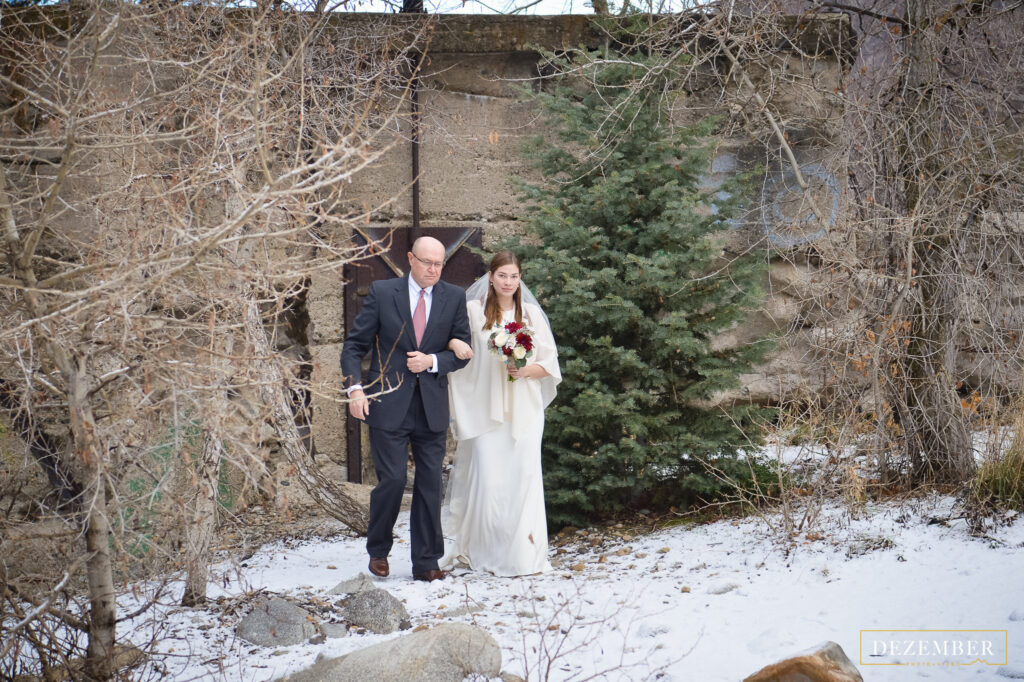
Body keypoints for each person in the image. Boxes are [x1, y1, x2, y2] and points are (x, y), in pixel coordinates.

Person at [340, 236, 471, 582]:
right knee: (394, 480)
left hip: (431, 407)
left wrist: (433, 361)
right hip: (387, 402)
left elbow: (461, 352)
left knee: (430, 484)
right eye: (427, 262)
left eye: (439, 264)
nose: (433, 269)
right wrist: (355, 390)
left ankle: (427, 561)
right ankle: (378, 548)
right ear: (411, 259)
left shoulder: (454, 297)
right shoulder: (384, 293)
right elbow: (354, 347)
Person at [441, 250, 561, 576]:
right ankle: (485, 553)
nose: (508, 282)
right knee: (490, 479)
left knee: (524, 479)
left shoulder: (531, 316)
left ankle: (524, 556)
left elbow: (549, 363)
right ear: (491, 277)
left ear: (520, 279)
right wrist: (455, 345)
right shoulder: (473, 311)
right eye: (502, 275)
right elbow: (452, 338)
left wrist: (523, 368)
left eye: (514, 276)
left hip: (524, 408)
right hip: (486, 406)